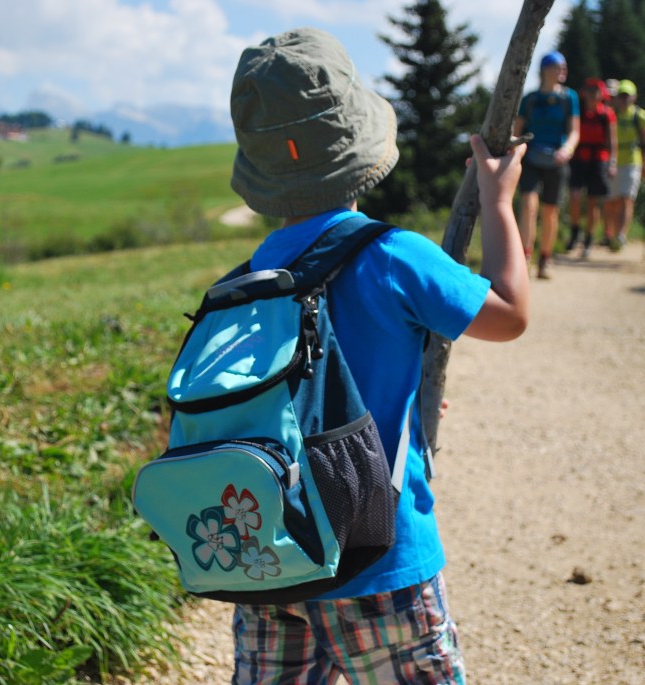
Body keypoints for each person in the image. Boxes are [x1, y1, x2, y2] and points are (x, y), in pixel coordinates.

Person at [228, 28, 529, 684]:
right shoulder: (393, 255)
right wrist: (500, 202)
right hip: (380, 564)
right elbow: (510, 313)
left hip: (269, 563)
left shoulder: (246, 279)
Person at [514, 50, 580, 279]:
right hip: (531, 158)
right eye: (557, 66)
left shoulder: (569, 97)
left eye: (564, 67)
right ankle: (524, 257)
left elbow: (574, 131)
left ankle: (545, 258)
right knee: (528, 205)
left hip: (557, 159)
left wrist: (567, 149)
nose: (562, 71)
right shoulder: (530, 99)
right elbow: (517, 130)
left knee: (550, 211)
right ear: (544, 70)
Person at [565, 78, 617, 258]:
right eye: (589, 91)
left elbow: (612, 140)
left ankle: (588, 239)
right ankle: (575, 231)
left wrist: (612, 162)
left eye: (596, 91)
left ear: (601, 95)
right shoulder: (578, 112)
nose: (592, 95)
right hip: (579, 158)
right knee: (575, 196)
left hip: (598, 160)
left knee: (593, 202)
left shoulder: (606, 114)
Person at [605, 79, 645, 249]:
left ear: (633, 97)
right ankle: (609, 233)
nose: (624, 99)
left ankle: (621, 235)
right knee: (612, 200)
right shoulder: (611, 114)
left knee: (626, 199)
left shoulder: (639, 116)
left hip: (633, 161)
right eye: (621, 96)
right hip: (613, 161)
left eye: (627, 96)